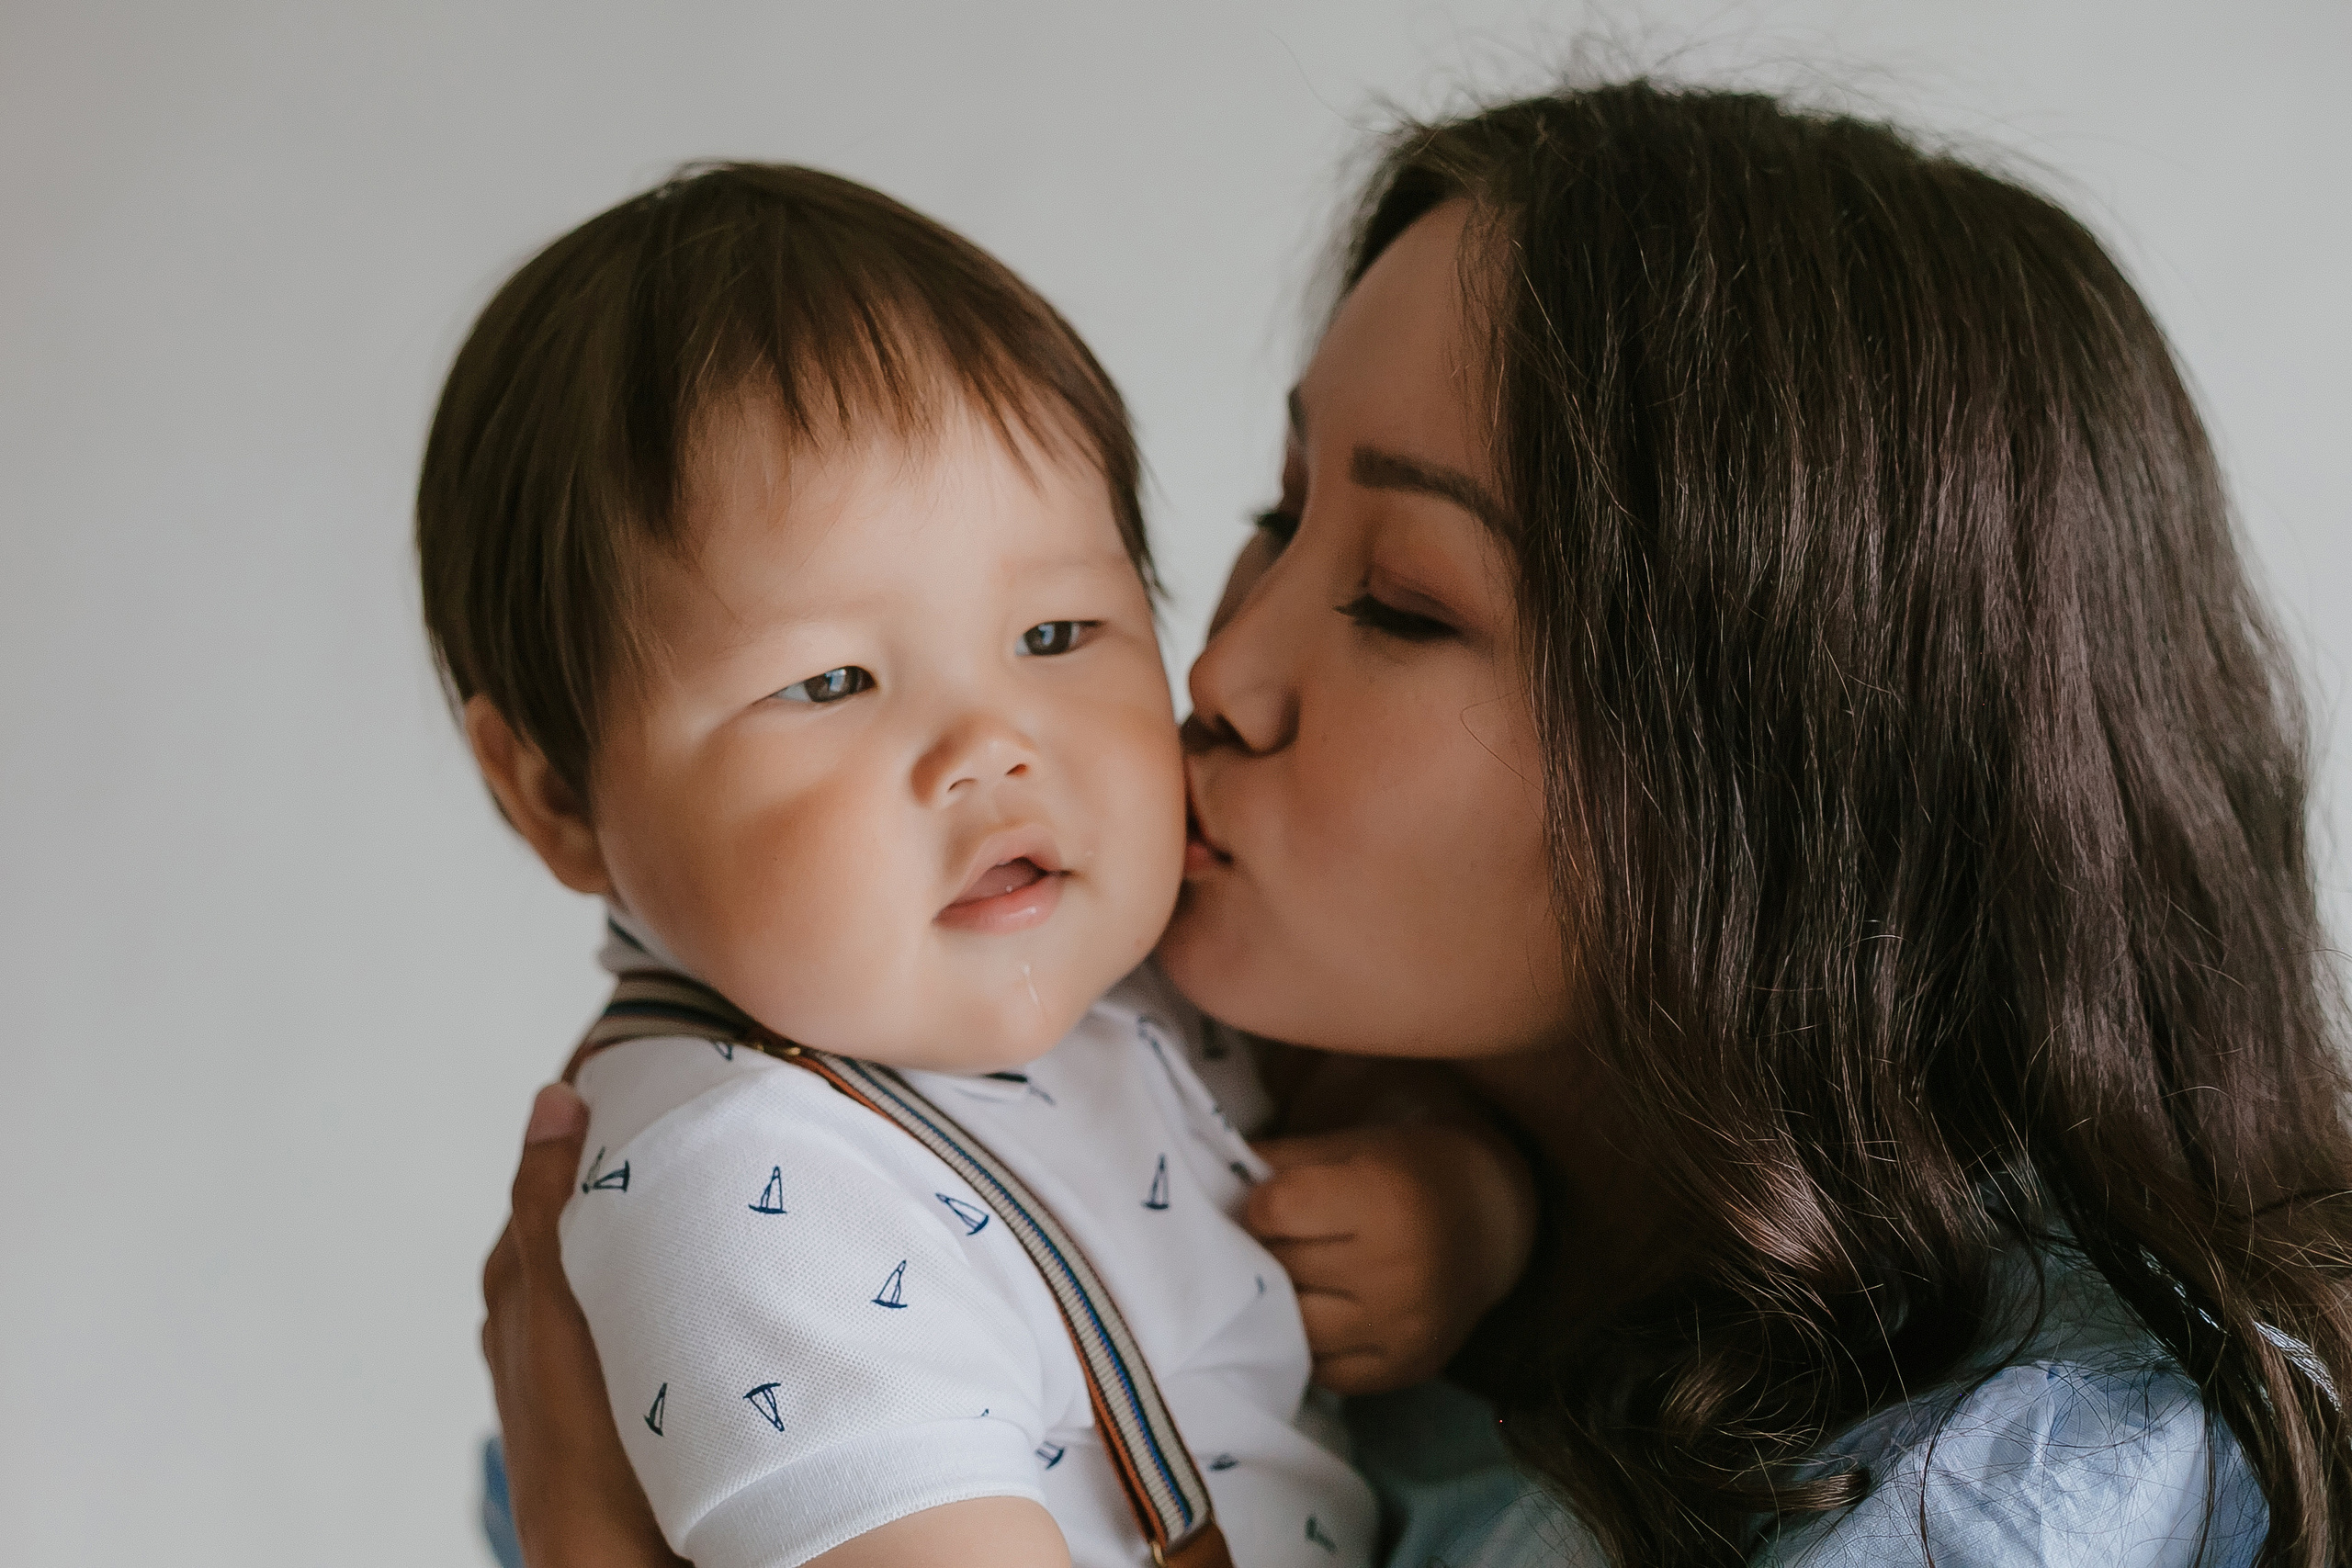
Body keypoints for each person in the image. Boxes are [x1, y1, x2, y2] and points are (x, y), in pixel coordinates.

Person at [479, 80, 2352, 1568]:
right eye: (1274, 513)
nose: (1217, 671)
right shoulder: (856, 1158)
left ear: (1781, 773)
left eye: (1399, 600)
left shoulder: (2023, 1489)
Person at [424, 165, 1534, 1568]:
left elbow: (1358, 1091)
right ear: (556, 795)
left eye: (1055, 636)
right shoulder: (747, 1190)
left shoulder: (1118, 957)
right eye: (831, 682)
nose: (992, 748)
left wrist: (1459, 1200)